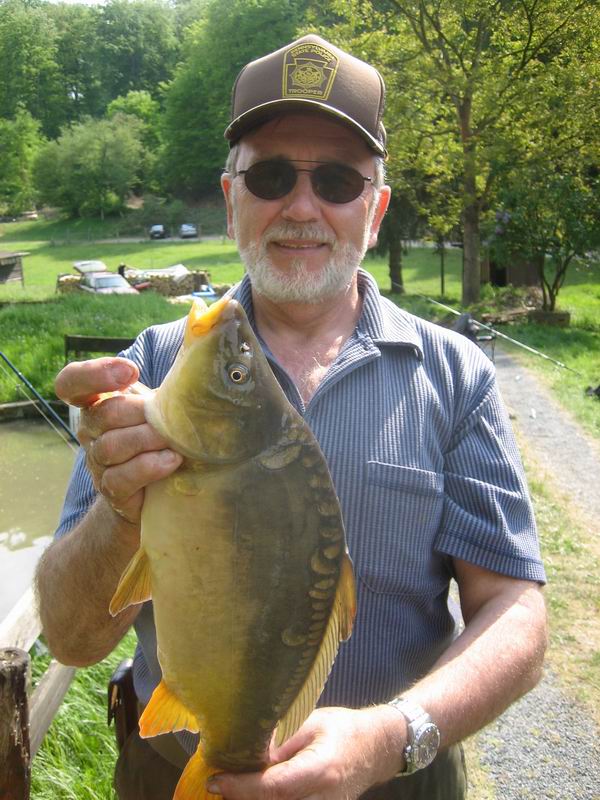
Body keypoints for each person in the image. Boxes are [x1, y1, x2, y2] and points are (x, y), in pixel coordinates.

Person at [36, 34, 547, 800]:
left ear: (375, 210)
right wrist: (120, 513)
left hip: (397, 781)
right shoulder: (149, 369)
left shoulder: (455, 373)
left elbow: (515, 611)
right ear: (231, 198)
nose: (302, 207)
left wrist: (392, 736)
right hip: (178, 776)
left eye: (337, 181)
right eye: (271, 175)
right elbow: (70, 637)